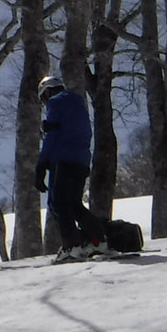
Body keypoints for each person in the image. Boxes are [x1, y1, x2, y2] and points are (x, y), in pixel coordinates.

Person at [35, 72, 108, 261]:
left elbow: (52, 137)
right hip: (82, 161)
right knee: (74, 204)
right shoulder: (78, 104)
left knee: (58, 203)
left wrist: (42, 165)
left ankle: (72, 247)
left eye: (43, 98)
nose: (44, 103)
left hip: (64, 160)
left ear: (48, 92)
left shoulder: (55, 103)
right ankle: (97, 242)